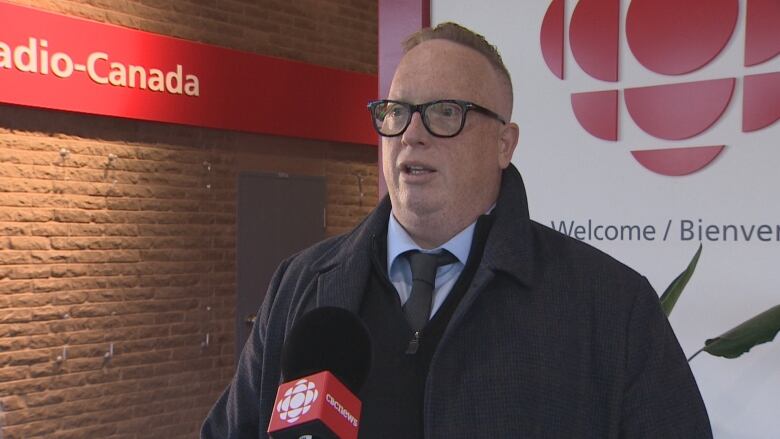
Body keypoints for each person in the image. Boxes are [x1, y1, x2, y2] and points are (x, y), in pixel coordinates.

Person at [202, 22, 712, 438]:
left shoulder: (610, 308)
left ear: (504, 145)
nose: (413, 134)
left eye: (445, 112)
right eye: (396, 112)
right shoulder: (299, 286)